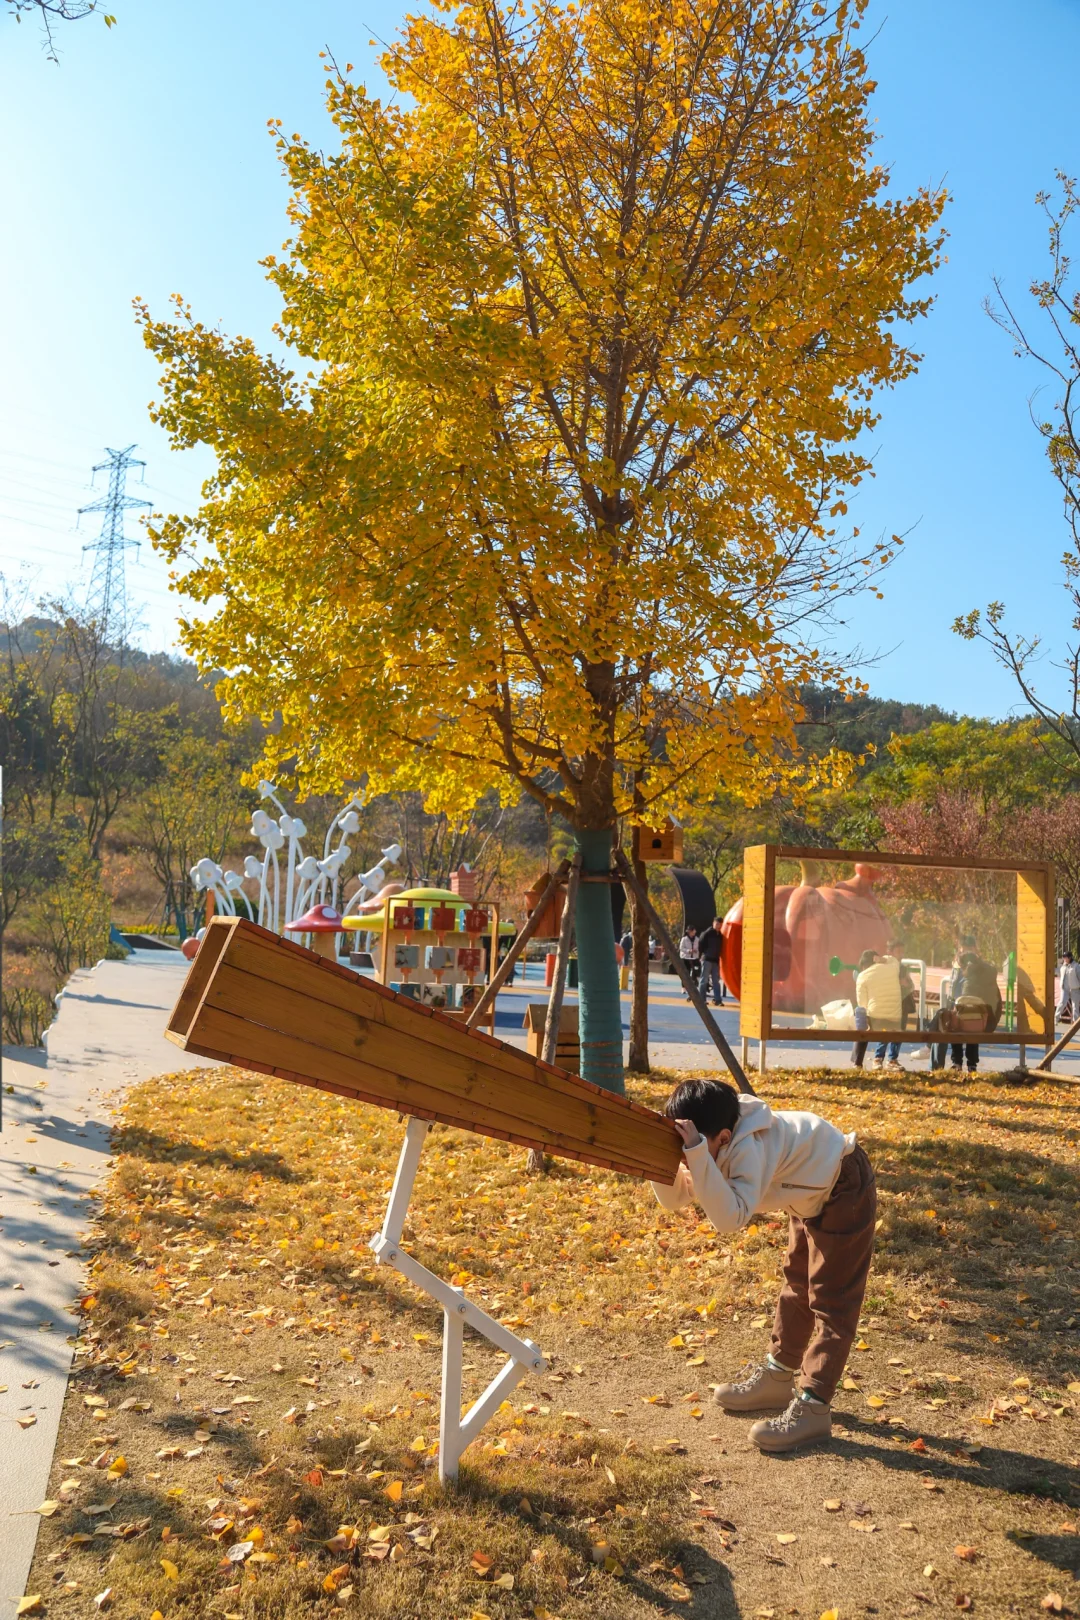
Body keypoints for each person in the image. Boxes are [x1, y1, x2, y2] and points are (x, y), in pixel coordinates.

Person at [652, 1077, 875, 1454]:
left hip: (843, 1185)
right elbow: (677, 1197)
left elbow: (731, 1217)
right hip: (807, 1191)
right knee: (797, 1286)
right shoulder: (713, 1137)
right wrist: (659, 1159)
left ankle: (814, 1407)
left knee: (832, 1300)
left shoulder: (747, 1147)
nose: (687, 1155)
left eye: (694, 1145)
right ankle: (778, 1376)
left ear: (723, 1137)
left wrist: (697, 1153)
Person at [931, 936, 1001, 1073]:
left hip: (974, 1004)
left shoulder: (978, 965)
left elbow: (982, 983)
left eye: (968, 949)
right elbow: (953, 985)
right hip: (957, 1002)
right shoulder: (957, 964)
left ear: (974, 949)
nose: (965, 952)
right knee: (955, 1029)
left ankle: (971, 1063)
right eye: (962, 949)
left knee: (972, 1030)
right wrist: (951, 1001)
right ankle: (957, 1062)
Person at [850, 948, 903, 1070]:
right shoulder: (892, 968)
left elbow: (862, 1005)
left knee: (861, 1017)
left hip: (876, 1020)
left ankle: (857, 1062)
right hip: (895, 1020)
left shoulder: (862, 976)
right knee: (890, 1020)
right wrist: (883, 959)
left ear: (864, 965)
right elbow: (893, 959)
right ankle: (891, 1060)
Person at [698, 917, 726, 1005]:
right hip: (707, 959)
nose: (718, 926)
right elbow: (700, 944)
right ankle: (702, 999)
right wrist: (702, 955)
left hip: (715, 960)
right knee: (704, 980)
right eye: (717, 924)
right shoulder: (707, 933)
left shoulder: (720, 936)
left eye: (720, 925)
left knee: (716, 981)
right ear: (713, 923)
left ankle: (718, 1000)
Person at [678, 924, 700, 997]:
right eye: (691, 931)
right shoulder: (684, 939)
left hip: (694, 958)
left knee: (694, 973)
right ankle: (683, 988)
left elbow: (699, 948)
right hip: (685, 958)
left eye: (693, 931)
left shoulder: (697, 939)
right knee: (685, 973)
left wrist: (696, 951)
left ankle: (693, 988)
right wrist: (688, 951)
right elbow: (681, 948)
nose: (693, 932)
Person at [1058, 951, 1080, 1023]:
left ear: (1070, 957)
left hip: (1075, 988)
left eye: (1065, 957)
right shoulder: (1063, 967)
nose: (1064, 958)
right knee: (1061, 1003)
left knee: (1075, 1007)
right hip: (1065, 989)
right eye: (1063, 957)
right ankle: (1055, 1019)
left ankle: (1076, 1023)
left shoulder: (1076, 966)